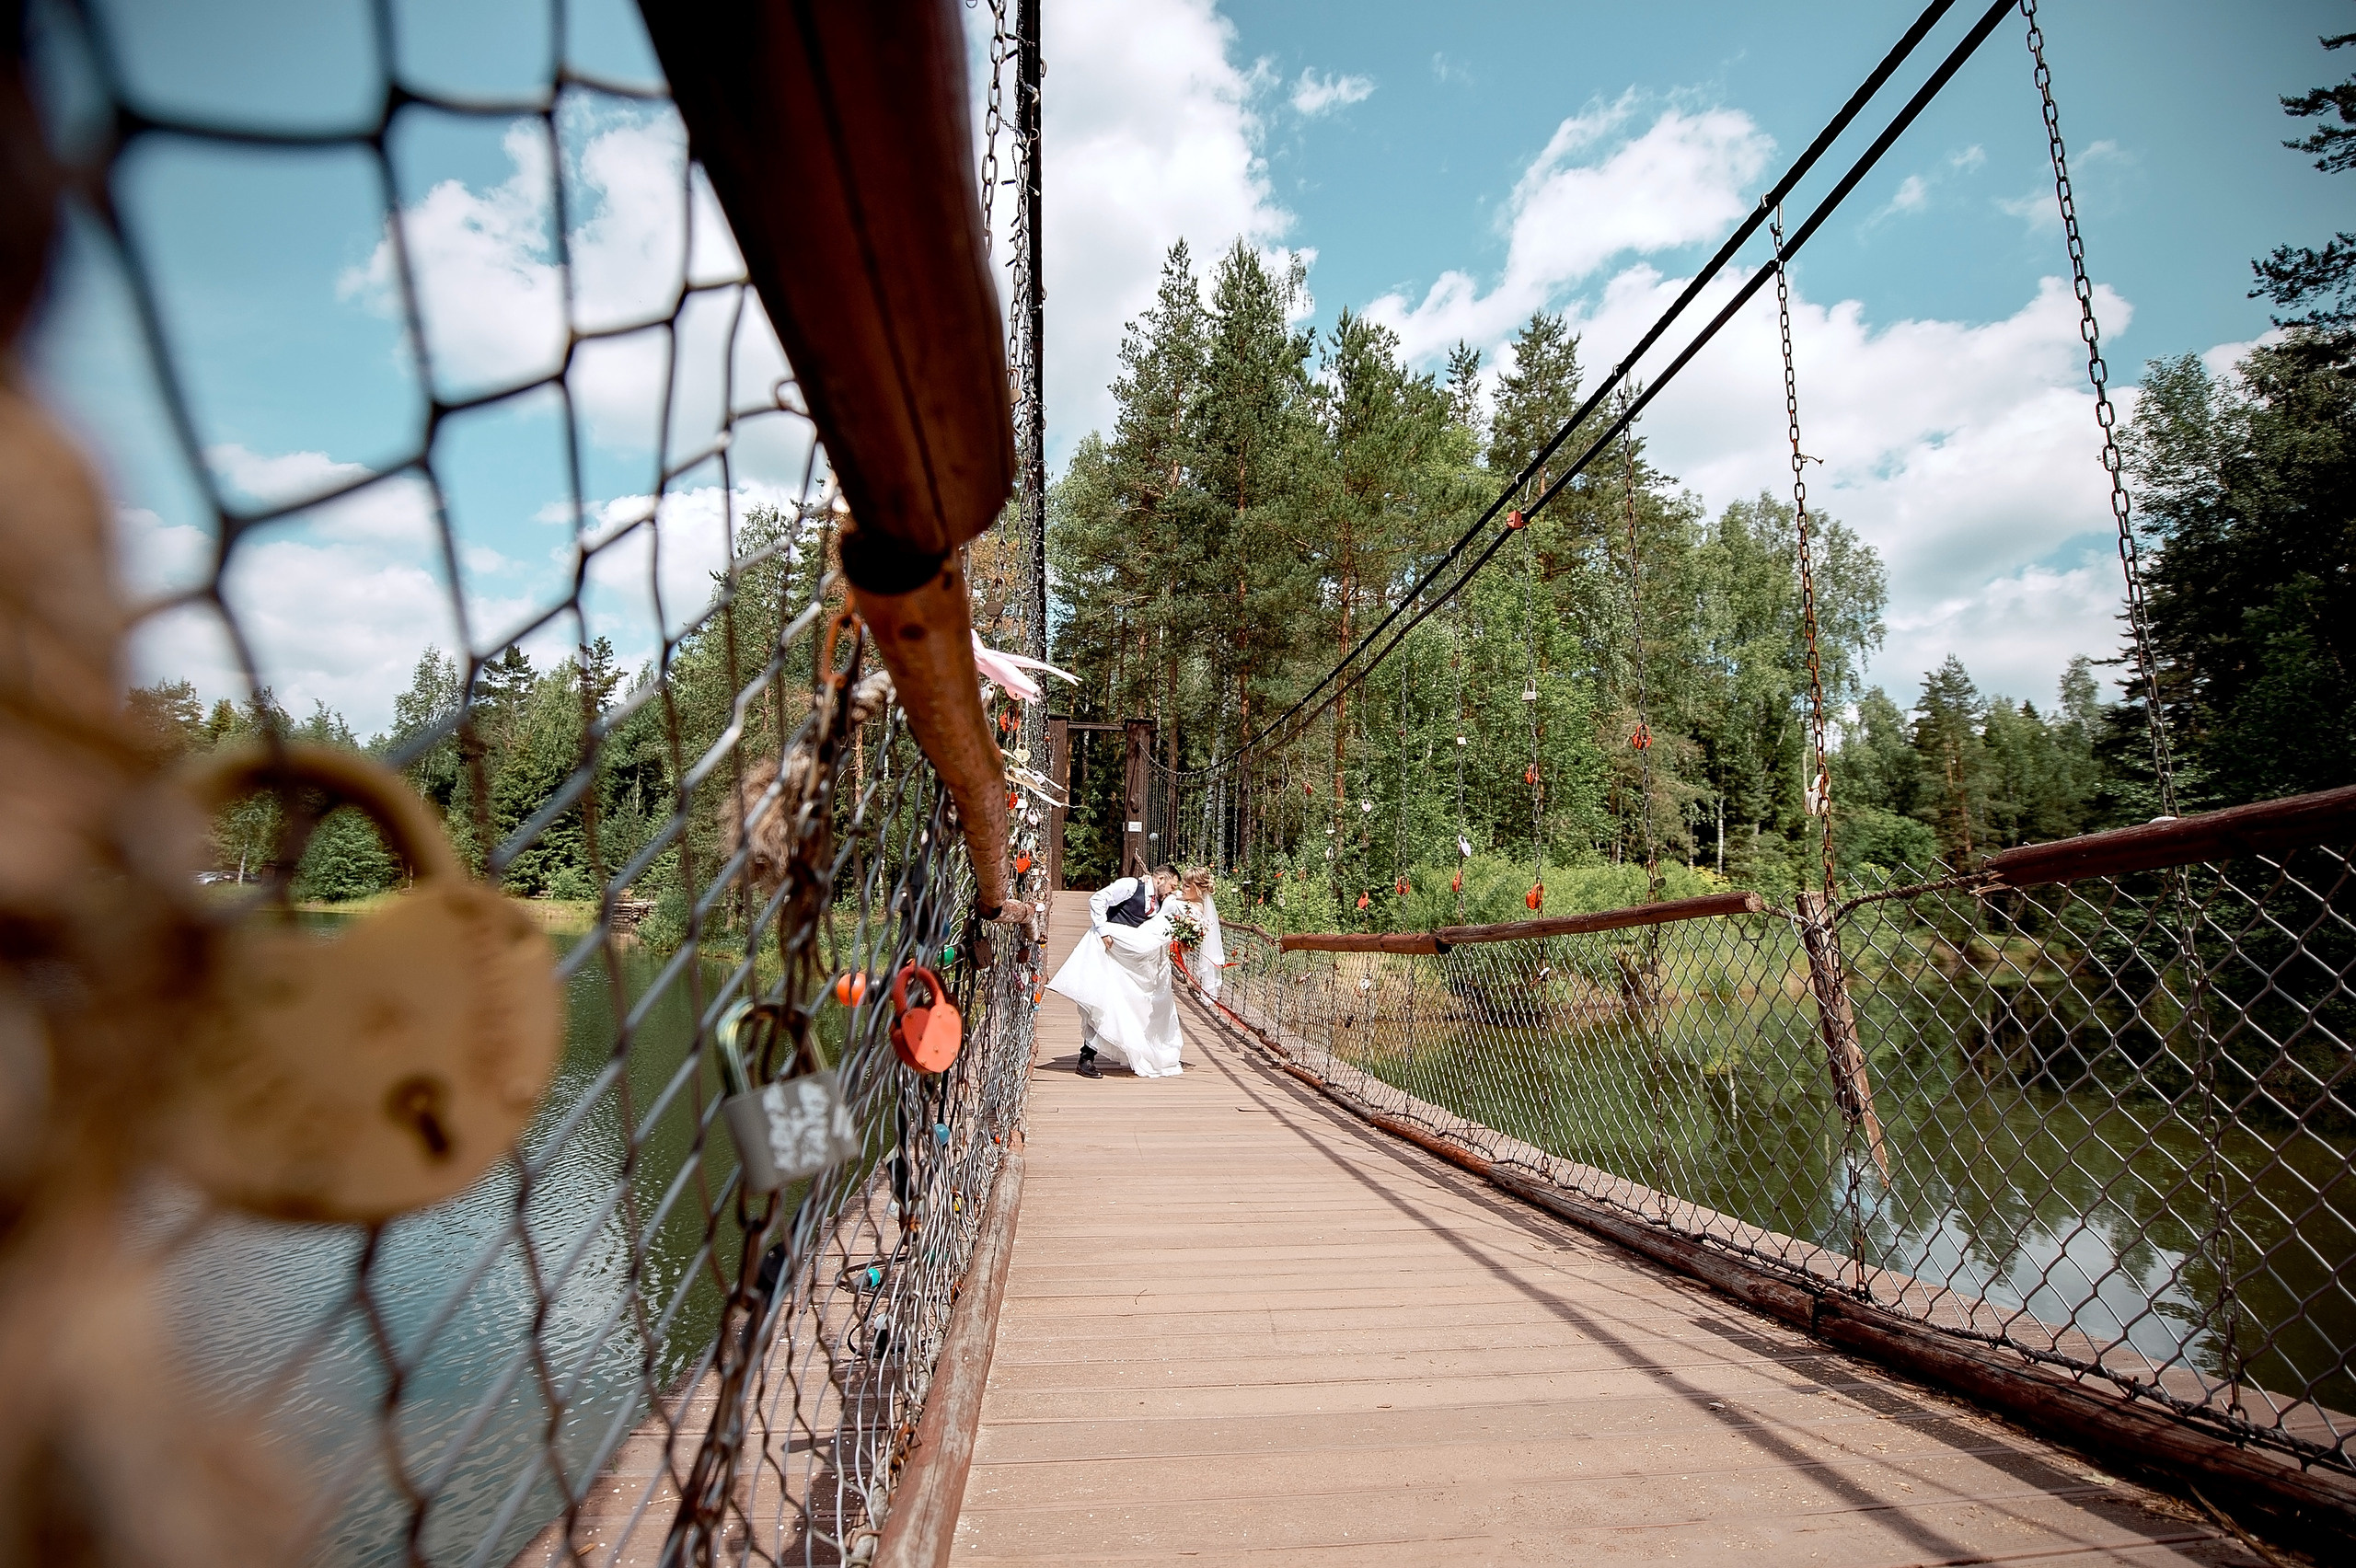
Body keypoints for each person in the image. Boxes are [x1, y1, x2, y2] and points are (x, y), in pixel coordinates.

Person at [1045, 863, 1185, 1078]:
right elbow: (1098, 899)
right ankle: (1086, 1058)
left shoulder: (1161, 901)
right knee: (1102, 1003)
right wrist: (1103, 931)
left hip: (1132, 963)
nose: (1172, 891)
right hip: (1109, 954)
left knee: (1129, 1007)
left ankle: (1145, 1053)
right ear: (1160, 879)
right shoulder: (1131, 885)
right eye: (1172, 886)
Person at [1168, 867, 1227, 1001]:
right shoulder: (1185, 898)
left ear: (1198, 889)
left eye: (1187, 886)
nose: (1182, 888)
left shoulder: (1194, 908)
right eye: (1183, 884)